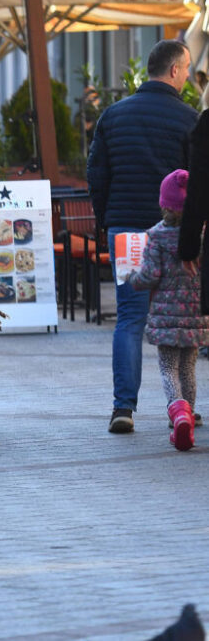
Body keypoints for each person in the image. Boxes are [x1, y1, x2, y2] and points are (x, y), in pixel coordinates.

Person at [88, 39, 198, 434]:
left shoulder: (112, 116)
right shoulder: (189, 120)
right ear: (173, 70)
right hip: (176, 234)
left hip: (127, 230)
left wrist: (107, 221)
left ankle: (123, 408)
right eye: (186, 68)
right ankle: (186, 403)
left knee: (129, 319)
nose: (188, 75)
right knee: (184, 317)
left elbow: (96, 174)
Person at [128, 169, 208, 451]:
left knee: (167, 368)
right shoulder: (202, 235)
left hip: (165, 316)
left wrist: (131, 279)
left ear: (164, 204)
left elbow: (150, 276)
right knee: (188, 367)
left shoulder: (157, 236)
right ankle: (190, 414)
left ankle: (178, 413)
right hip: (197, 315)